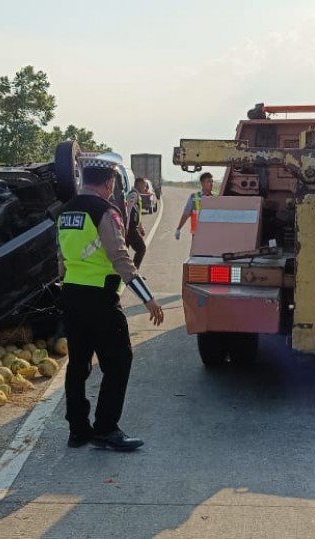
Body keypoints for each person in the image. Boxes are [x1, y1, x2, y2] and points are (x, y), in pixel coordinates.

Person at [56, 158, 165, 452]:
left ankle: (78, 431)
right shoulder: (106, 212)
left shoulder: (65, 212)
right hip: (100, 300)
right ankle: (106, 429)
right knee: (118, 362)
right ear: (108, 183)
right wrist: (148, 298)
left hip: (71, 295)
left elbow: (62, 260)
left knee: (78, 365)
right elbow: (121, 259)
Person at [175, 172, 214, 240]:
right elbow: (186, 214)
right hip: (197, 235)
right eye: (208, 181)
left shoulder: (216, 198)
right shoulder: (194, 197)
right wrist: (178, 229)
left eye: (212, 181)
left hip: (211, 235)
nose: (211, 184)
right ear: (202, 183)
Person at [124, 177, 149, 269]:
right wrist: (126, 228)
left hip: (132, 227)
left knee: (124, 252)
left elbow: (138, 213)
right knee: (141, 248)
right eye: (144, 185)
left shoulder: (138, 195)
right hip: (130, 228)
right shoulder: (133, 194)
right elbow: (128, 211)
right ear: (138, 184)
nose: (145, 187)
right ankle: (134, 272)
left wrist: (141, 227)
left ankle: (125, 273)